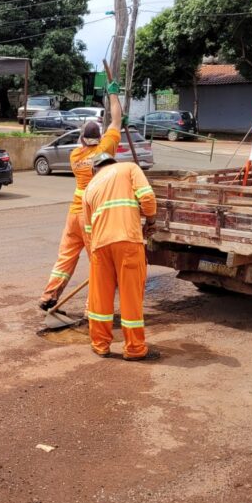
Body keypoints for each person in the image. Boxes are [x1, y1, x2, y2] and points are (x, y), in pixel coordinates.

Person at [39, 83, 123, 311]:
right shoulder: (104, 150)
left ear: (83, 139)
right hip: (91, 217)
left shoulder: (76, 154)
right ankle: (91, 308)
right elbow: (117, 120)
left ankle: (49, 296)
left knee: (65, 257)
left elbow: (86, 140)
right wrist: (114, 94)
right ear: (99, 137)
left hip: (74, 214)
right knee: (98, 261)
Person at [81, 153, 158, 361]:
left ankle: (100, 345)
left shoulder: (89, 188)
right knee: (130, 295)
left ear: (95, 170)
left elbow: (87, 229)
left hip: (99, 246)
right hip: (127, 241)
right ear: (112, 163)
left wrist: (96, 256)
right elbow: (147, 198)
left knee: (100, 299)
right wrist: (150, 222)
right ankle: (134, 348)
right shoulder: (129, 168)